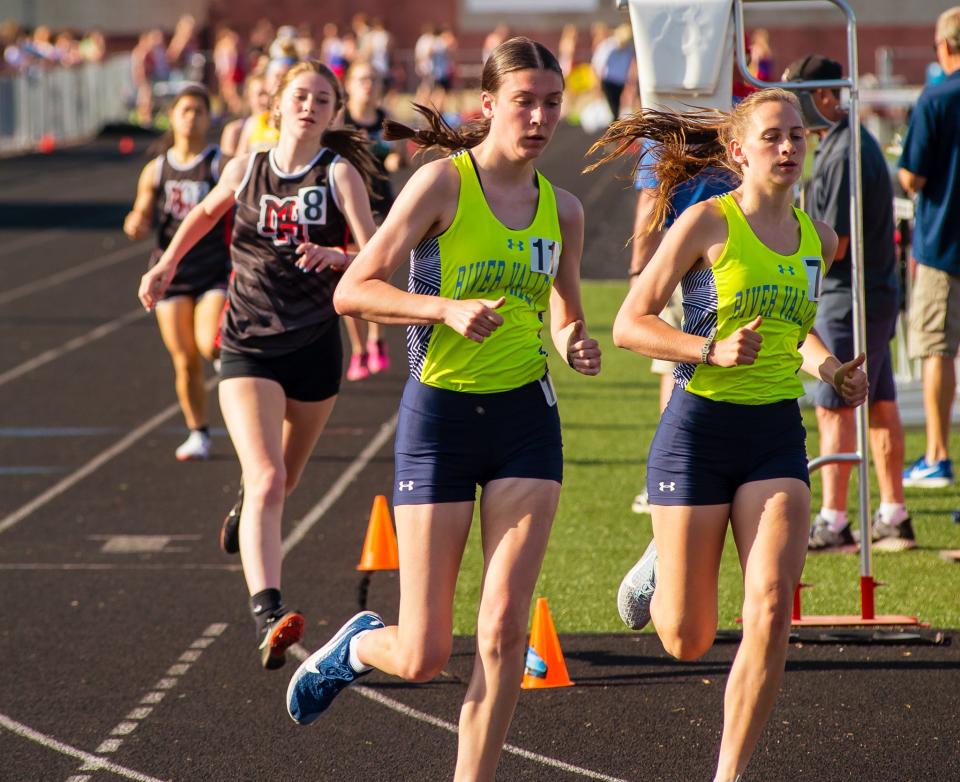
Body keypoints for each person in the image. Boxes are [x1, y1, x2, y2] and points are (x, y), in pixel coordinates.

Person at [285, 38, 601, 782]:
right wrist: (446, 308)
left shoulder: (567, 210)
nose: (541, 116)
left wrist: (575, 341)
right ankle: (360, 644)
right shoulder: (441, 186)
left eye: (551, 102)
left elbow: (565, 312)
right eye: (525, 100)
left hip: (528, 422)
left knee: (500, 633)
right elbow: (354, 290)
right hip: (441, 422)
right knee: (424, 655)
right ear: (488, 105)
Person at [588, 88, 867, 781]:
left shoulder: (814, 237)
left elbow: (788, 326)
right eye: (773, 136)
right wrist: (707, 350)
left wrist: (829, 367)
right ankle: (663, 555)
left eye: (797, 136)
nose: (789, 147)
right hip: (698, 430)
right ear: (739, 152)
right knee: (688, 639)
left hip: (775, 434)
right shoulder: (706, 224)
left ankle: (729, 774)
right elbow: (629, 324)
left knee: (772, 608)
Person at [137, 61, 380, 669]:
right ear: (277, 102)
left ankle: (244, 513)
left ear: (334, 112)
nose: (309, 106)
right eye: (300, 95)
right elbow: (202, 215)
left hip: (316, 347)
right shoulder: (248, 166)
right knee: (268, 477)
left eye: (322, 99)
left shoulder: (340, 173)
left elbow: (378, 253)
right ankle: (269, 614)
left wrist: (339, 254)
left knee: (282, 482)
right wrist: (166, 264)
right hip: (247, 342)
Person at [783, 55, 913, 551]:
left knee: (835, 404)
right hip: (868, 292)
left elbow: (834, 244)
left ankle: (835, 519)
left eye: (797, 101)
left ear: (822, 97)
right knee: (878, 402)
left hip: (851, 293)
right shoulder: (845, 144)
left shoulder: (843, 151)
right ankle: (893, 512)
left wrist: (779, 235)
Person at [123, 84, 230, 462]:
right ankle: (198, 432)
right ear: (173, 117)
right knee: (183, 359)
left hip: (214, 268)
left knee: (207, 343)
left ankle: (236, 374)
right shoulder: (157, 168)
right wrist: (135, 222)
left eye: (199, 111)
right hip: (170, 273)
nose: (192, 117)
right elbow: (141, 213)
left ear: (208, 118)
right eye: (185, 110)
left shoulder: (219, 163)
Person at [628, 141, 736, 514]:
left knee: (673, 364)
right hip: (739, 253)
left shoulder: (664, 138)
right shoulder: (736, 120)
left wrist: (638, 268)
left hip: (685, 259)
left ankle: (673, 470)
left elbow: (650, 204)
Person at [897, 6, 960, 489]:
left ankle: (938, 454)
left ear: (944, 46)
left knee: (937, 349)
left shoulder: (936, 97)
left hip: (944, 242)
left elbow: (912, 175)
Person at [341, 60, 409, 379]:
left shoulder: (386, 121)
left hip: (380, 203)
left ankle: (376, 339)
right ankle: (358, 349)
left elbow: (402, 157)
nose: (368, 84)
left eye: (373, 79)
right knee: (347, 273)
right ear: (350, 85)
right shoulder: (340, 121)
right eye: (362, 78)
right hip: (344, 203)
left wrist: (395, 159)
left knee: (376, 269)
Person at [219, 70, 270, 158]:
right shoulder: (235, 131)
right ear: (249, 97)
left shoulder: (281, 128)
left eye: (268, 94)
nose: (266, 100)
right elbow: (228, 168)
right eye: (260, 94)